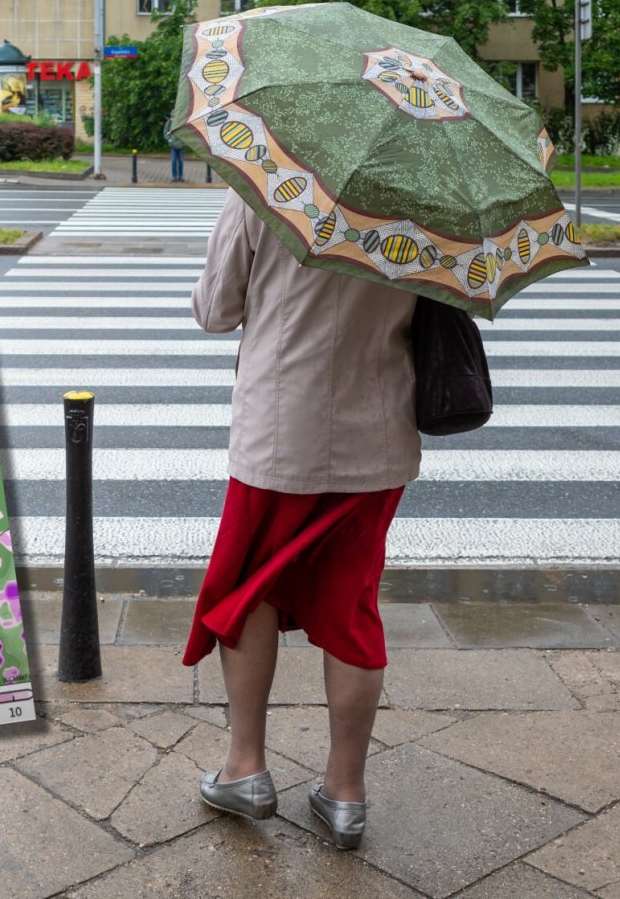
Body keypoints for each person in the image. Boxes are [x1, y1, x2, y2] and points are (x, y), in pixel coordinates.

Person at [183, 188, 421, 850]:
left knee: (247, 590)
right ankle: (345, 795)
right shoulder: (422, 197)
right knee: (352, 602)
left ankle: (246, 768)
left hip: (280, 433)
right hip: (378, 430)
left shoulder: (265, 183)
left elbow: (214, 310)